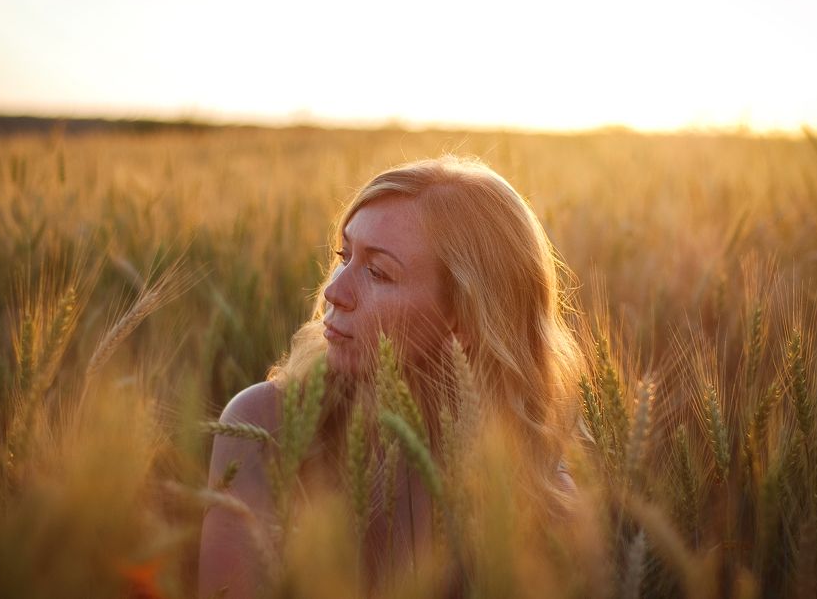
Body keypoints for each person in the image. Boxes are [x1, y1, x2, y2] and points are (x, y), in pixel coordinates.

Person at [198, 155, 583, 598]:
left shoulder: (539, 494)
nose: (333, 292)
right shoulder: (265, 426)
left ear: (464, 318)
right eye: (344, 257)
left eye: (378, 272)